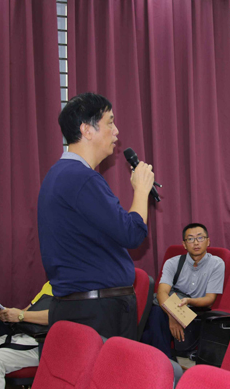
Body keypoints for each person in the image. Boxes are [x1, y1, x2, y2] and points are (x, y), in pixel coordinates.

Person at [38, 92, 155, 340]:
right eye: (110, 122)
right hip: (96, 313)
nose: (116, 131)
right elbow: (132, 233)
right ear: (87, 130)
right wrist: (141, 190)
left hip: (77, 308)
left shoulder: (57, 175)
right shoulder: (82, 178)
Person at [141, 223, 224, 359]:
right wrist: (173, 315)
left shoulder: (217, 264)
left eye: (200, 238)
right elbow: (162, 293)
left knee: (154, 319)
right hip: (172, 306)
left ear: (208, 241)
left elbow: (210, 299)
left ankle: (160, 359)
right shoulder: (172, 263)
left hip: (195, 308)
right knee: (155, 312)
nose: (196, 243)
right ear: (184, 244)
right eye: (190, 239)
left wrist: (189, 301)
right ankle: (165, 359)